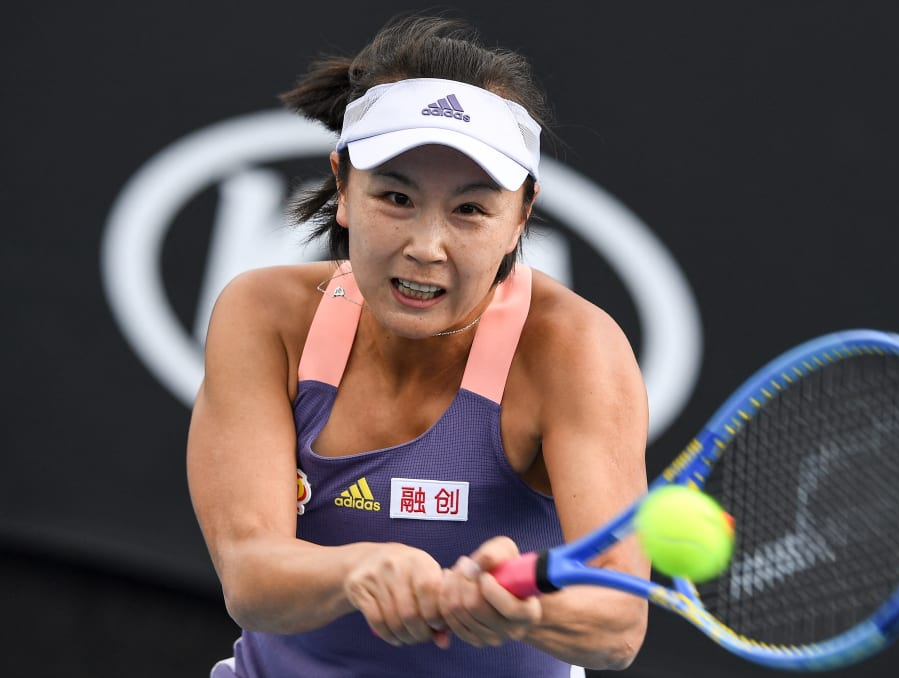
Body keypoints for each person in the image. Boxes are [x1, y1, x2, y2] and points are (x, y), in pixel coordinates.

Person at [187, 12, 650, 677]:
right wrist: (358, 568)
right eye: (396, 196)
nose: (426, 247)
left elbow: (617, 627)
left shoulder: (573, 349)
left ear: (521, 212)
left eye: (469, 209)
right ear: (344, 187)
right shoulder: (264, 315)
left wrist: (526, 612)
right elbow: (251, 579)